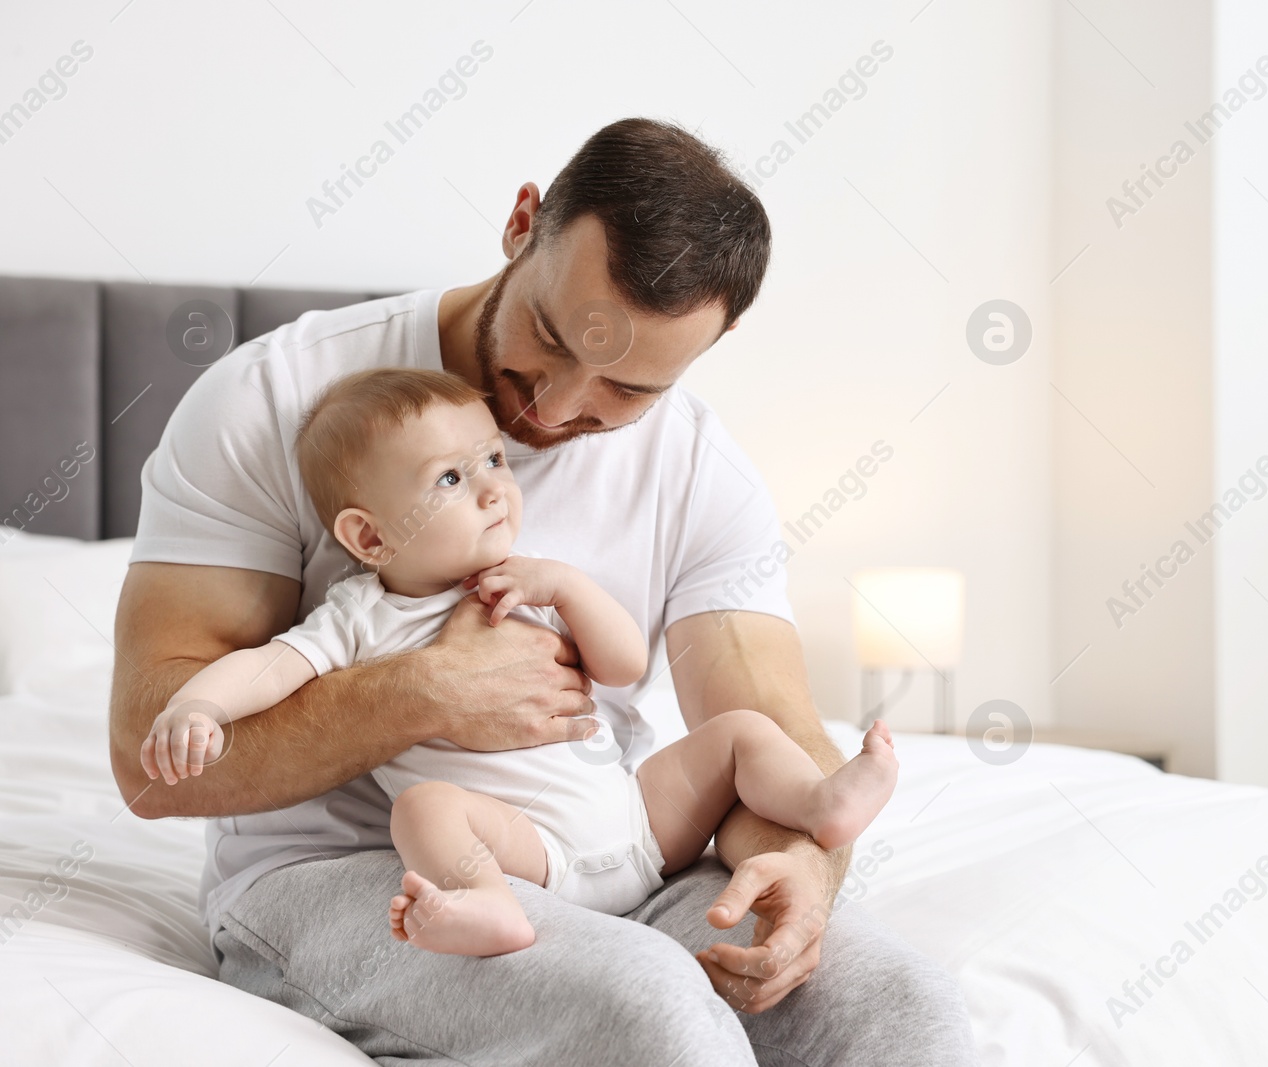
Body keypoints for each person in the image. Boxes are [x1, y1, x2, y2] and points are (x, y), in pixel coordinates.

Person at [108, 117, 978, 1064]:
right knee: (649, 1010)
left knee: (905, 1007)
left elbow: (771, 728)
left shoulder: (695, 467)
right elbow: (144, 760)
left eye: (628, 390)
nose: (555, 409)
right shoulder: (277, 401)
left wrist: (805, 865)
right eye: (551, 337)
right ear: (523, 223)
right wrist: (427, 691)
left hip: (613, 853)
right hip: (347, 875)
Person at [140, 367, 901, 959]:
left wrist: (566, 588)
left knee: (738, 731)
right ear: (369, 538)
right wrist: (198, 707)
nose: (494, 488)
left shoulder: (531, 580)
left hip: (642, 826)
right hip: (538, 859)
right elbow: (271, 667)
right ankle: (483, 903)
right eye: (450, 477)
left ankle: (818, 803)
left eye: (494, 459)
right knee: (422, 809)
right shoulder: (361, 616)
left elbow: (626, 663)